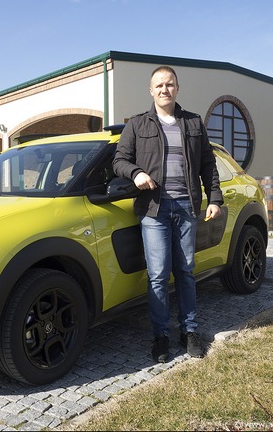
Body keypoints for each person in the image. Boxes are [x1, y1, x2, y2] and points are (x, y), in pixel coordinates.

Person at [112, 65, 223, 363]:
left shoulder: (193, 123)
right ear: (151, 90)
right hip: (154, 209)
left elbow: (208, 166)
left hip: (186, 206)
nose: (164, 89)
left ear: (177, 88)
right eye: (159, 85)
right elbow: (119, 160)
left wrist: (215, 198)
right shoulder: (137, 125)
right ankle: (160, 335)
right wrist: (135, 173)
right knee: (158, 275)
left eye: (170, 84)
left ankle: (189, 332)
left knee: (186, 271)